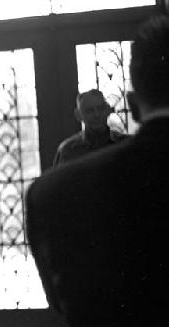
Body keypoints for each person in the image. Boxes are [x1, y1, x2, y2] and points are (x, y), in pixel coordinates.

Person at [26, 15, 169, 327]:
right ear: (78, 114)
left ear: (127, 105)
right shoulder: (68, 153)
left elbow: (62, 290)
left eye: (99, 109)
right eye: (88, 110)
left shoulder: (51, 191)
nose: (94, 115)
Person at [53, 89, 128, 166]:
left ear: (108, 110)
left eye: (100, 108)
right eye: (90, 111)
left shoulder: (126, 144)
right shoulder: (68, 151)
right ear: (78, 115)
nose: (96, 114)